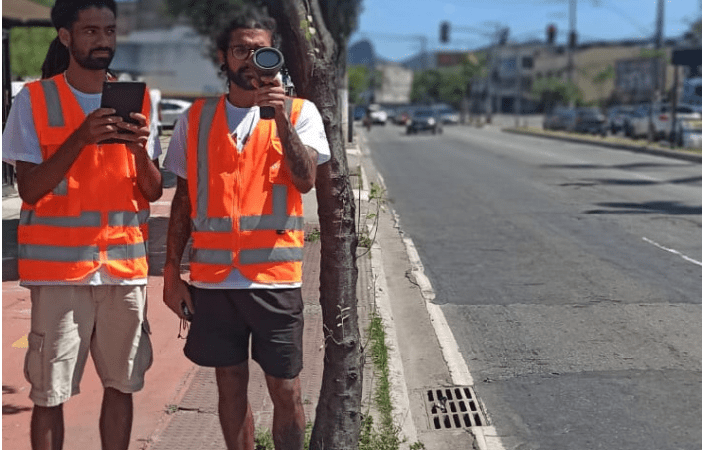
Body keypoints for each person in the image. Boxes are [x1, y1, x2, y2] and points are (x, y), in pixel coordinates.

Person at [162, 5, 330, 450]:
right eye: (241, 50)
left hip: (274, 280)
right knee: (229, 387)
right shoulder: (195, 119)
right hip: (214, 283)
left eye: (261, 51)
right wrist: (170, 274)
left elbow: (306, 179)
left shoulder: (301, 113)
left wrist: (279, 121)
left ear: (275, 56)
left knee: (287, 389)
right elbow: (182, 202)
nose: (251, 60)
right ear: (224, 56)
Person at [1, 0, 163, 449]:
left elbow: (151, 191)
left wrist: (138, 150)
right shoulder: (33, 100)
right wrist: (81, 138)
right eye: (91, 31)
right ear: (66, 36)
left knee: (123, 384)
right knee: (49, 393)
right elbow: (30, 189)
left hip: (123, 270)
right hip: (60, 275)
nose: (103, 41)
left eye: (109, 31)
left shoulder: (139, 100)